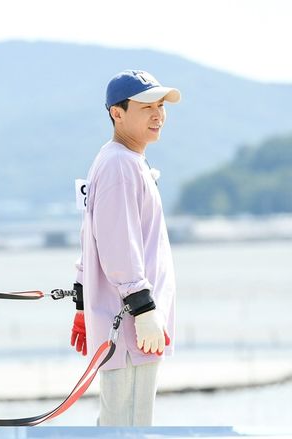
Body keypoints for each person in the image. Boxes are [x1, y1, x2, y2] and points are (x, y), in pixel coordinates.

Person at [69, 70, 180, 426]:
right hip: (131, 324)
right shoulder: (120, 164)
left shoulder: (123, 160)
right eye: (147, 106)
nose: (158, 114)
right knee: (129, 425)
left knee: (120, 421)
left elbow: (92, 238)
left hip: (127, 321)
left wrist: (82, 302)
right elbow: (118, 243)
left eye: (161, 106)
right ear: (117, 113)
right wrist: (144, 308)